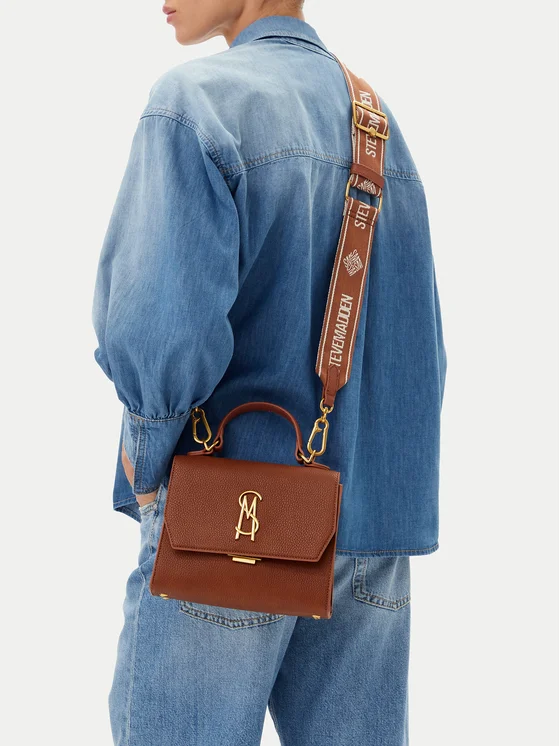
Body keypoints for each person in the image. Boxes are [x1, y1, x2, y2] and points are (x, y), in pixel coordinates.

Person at [92, 1, 446, 743]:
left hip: (228, 525)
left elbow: (155, 327)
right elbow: (422, 351)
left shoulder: (197, 104)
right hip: (368, 535)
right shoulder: (378, 124)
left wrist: (148, 466)